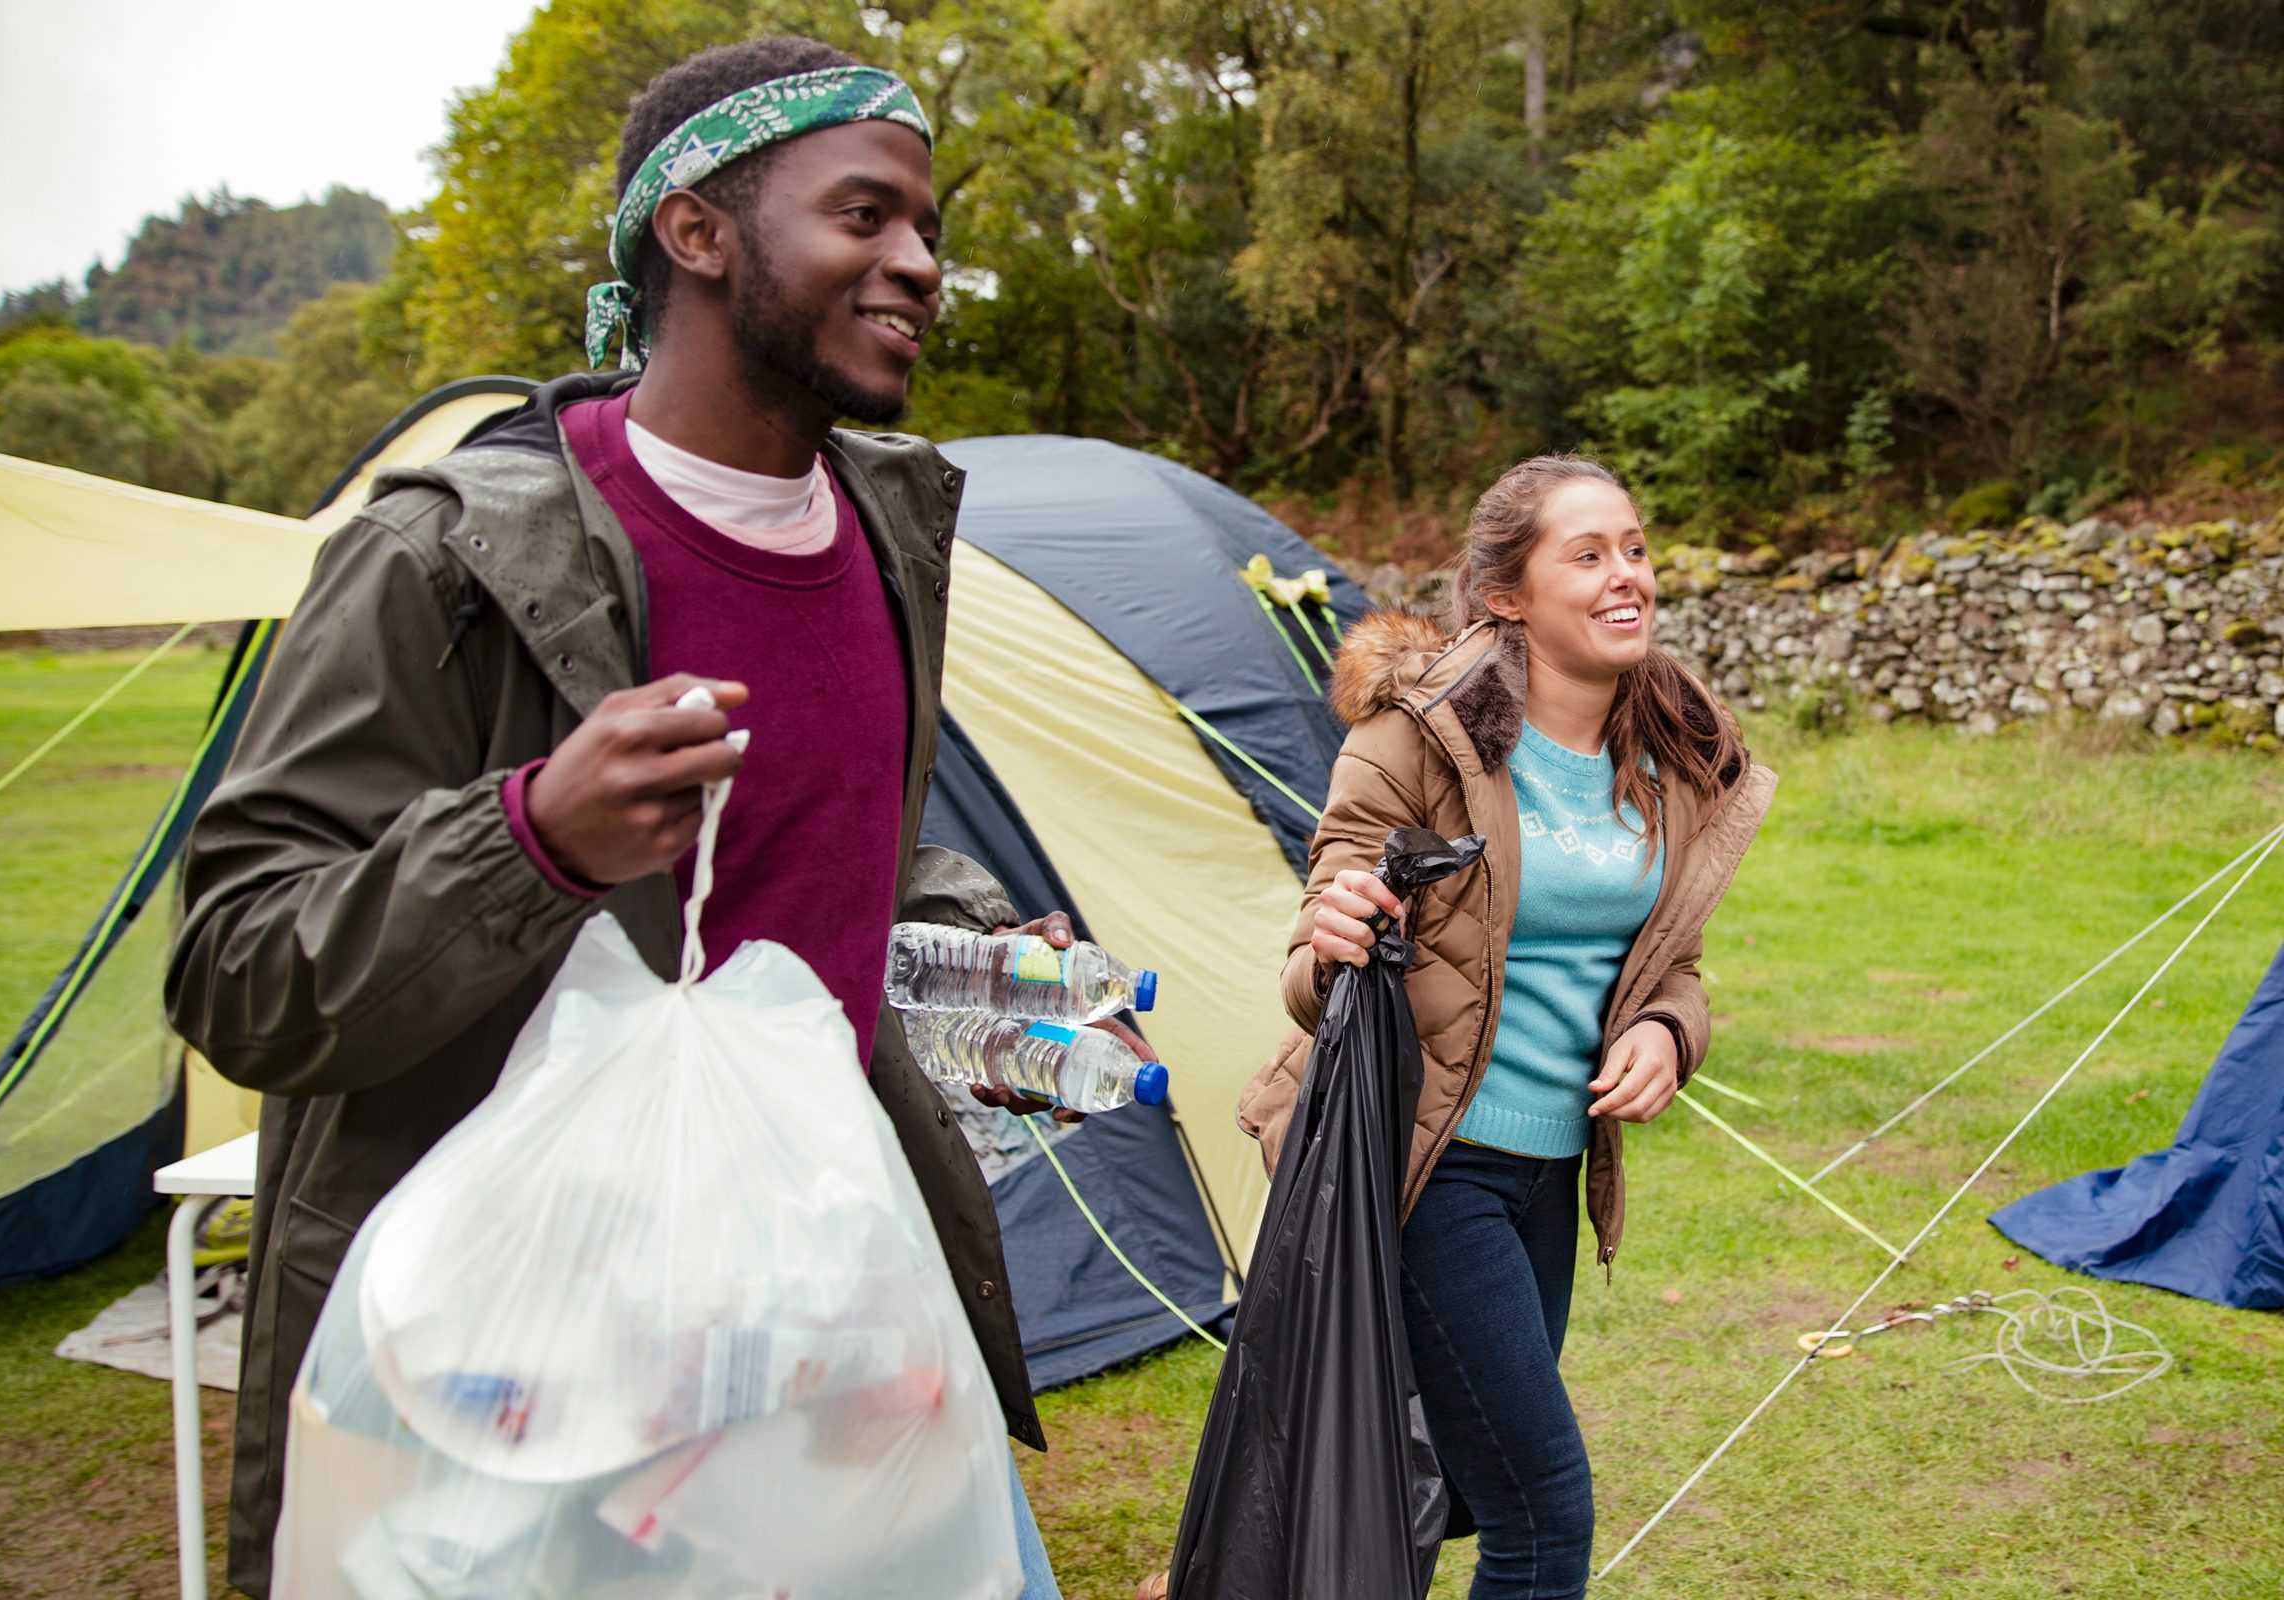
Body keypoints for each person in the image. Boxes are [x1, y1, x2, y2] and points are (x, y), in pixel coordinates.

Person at [167, 36, 1074, 1599]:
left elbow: (793, 865)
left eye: (928, 229)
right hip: (518, 1397)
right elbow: (239, 968)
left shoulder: (891, 535)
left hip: (836, 1346)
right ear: (697, 233)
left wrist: (966, 936)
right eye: (865, 218)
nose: (921, 265)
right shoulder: (445, 560)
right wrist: (529, 840)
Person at [1235, 455, 1776, 1597]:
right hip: (1433, 1161)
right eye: (1587, 555)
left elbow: (1665, 963)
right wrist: (1332, 934)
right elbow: (1311, 965)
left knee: (1468, 1487)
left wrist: (1672, 1033)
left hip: (1550, 1174)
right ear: (1505, 595)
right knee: (1544, 1513)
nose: (1626, 575)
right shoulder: (1418, 741)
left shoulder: (1671, 751)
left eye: (1633, 547)